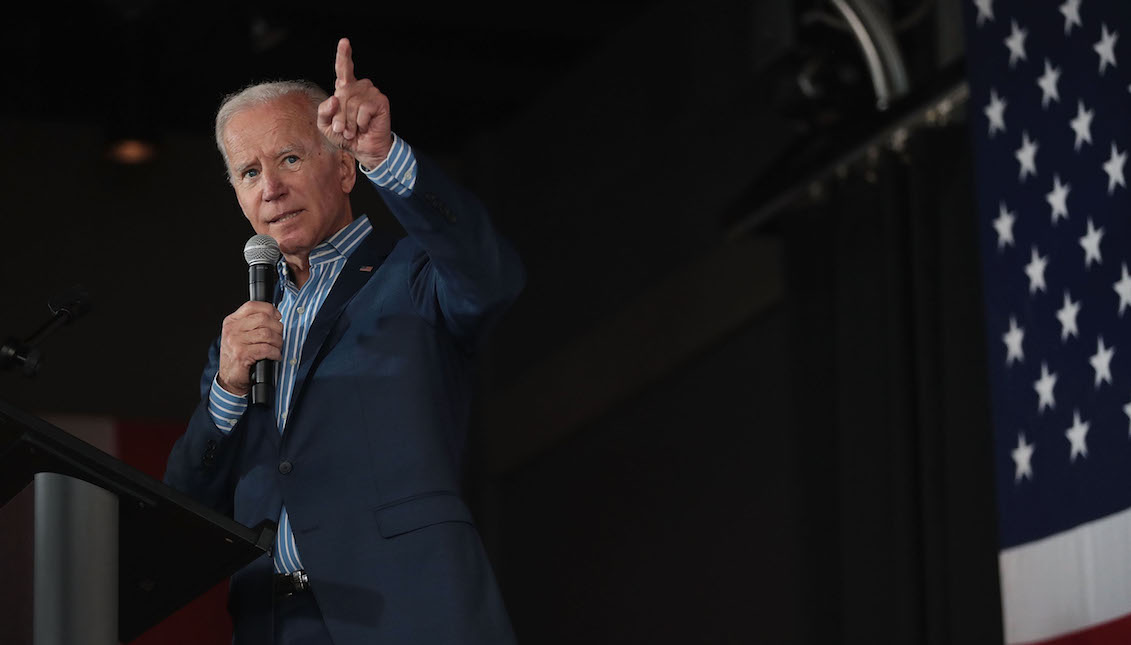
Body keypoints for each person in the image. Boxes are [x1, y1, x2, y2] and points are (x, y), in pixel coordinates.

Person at [164, 37, 523, 645]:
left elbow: (491, 275)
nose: (270, 188)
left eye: (290, 160)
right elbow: (184, 504)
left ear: (345, 167)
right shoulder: (242, 340)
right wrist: (224, 393)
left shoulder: (413, 276)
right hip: (278, 624)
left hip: (407, 614)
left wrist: (391, 157)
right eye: (250, 172)